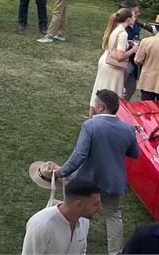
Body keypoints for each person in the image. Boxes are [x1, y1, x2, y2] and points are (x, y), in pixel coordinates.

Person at [53, 90, 137, 255]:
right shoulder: (128, 129)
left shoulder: (90, 125)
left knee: (80, 213)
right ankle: (115, 252)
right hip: (114, 181)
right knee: (114, 215)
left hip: (89, 180)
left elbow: (79, 155)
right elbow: (135, 153)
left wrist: (62, 171)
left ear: (101, 106)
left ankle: (75, 247)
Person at [21, 178, 100, 255]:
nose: (98, 208)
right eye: (95, 204)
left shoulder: (84, 220)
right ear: (79, 204)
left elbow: (82, 251)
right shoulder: (41, 226)